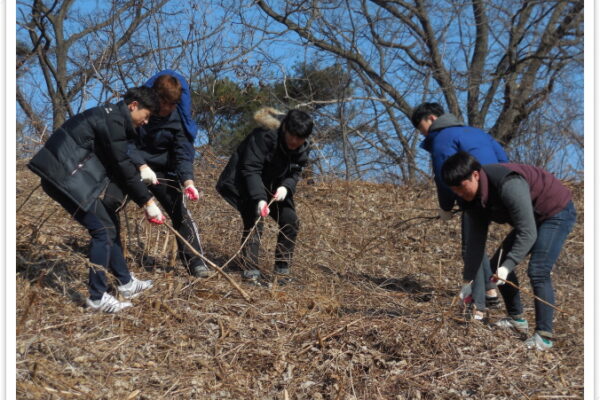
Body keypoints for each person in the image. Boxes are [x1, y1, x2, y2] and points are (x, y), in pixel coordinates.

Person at [28, 87, 167, 313]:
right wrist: (148, 202)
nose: (146, 122)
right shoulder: (112, 121)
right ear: (134, 106)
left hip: (69, 175)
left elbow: (120, 161)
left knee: (108, 225)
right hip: (62, 177)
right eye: (147, 115)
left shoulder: (112, 118)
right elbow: (121, 165)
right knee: (102, 230)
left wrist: (142, 170)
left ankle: (126, 283)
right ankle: (97, 297)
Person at [441, 151, 576, 350]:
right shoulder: (469, 200)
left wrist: (509, 264)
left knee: (538, 270)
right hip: (530, 219)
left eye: (462, 187)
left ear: (476, 175)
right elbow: (476, 243)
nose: (460, 194)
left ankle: (544, 336)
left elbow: (528, 232)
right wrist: (468, 281)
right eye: (455, 190)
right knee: (496, 266)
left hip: (554, 211)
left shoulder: (508, 183)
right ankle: (517, 319)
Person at [411, 102, 508, 320]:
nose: (422, 133)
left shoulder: (442, 139)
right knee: (480, 243)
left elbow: (443, 177)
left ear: (431, 119)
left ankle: (478, 305)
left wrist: (445, 206)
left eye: (420, 127)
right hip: (500, 189)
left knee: (471, 247)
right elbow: (503, 159)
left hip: (472, 194)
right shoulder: (476, 132)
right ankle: (491, 292)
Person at [216, 107, 313, 286]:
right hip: (245, 182)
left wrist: (286, 186)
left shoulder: (303, 147)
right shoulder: (264, 136)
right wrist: (260, 198)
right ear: (285, 129)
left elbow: (296, 172)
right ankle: (250, 271)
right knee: (254, 219)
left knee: (290, 220)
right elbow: (250, 169)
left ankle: (282, 271)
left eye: (300, 139)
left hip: (275, 186)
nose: (295, 141)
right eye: (292, 136)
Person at [127, 70, 210, 278]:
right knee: (111, 202)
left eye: (175, 104)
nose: (172, 109)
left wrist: (188, 181)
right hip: (131, 166)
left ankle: (196, 262)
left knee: (179, 212)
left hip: (162, 170)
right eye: (168, 105)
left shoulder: (177, 117)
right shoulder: (136, 110)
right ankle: (110, 254)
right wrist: (140, 165)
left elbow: (182, 150)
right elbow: (123, 141)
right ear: (157, 99)